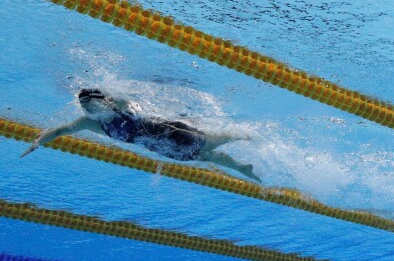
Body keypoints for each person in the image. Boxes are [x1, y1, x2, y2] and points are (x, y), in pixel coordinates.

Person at [21, 88, 260, 182]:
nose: (86, 109)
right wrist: (38, 141)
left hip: (170, 132)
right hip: (158, 146)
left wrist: (131, 106)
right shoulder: (91, 124)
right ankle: (242, 168)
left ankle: (246, 135)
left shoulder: (118, 106)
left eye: (90, 104)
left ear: (103, 101)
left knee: (212, 142)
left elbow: (130, 102)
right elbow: (62, 130)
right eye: (83, 106)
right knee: (205, 157)